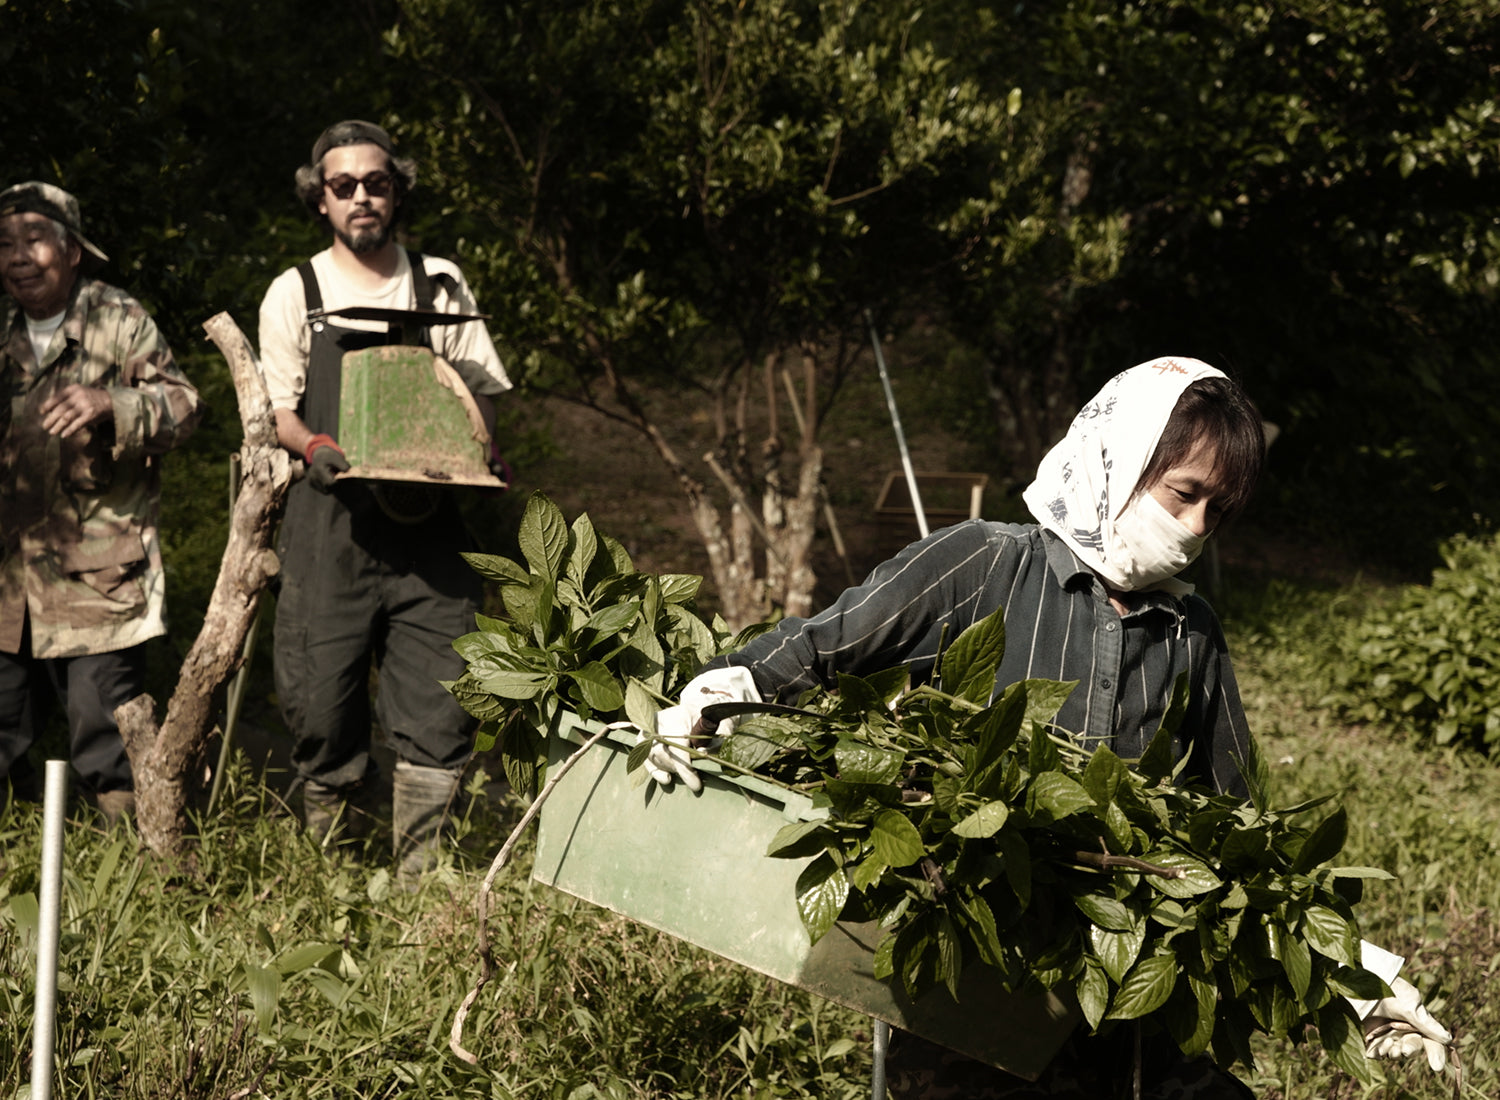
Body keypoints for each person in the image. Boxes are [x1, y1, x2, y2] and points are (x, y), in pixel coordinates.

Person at [643, 358, 1453, 1097]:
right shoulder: (985, 564)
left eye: (1220, 510)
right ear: (1120, 458)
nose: (1198, 527)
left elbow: (1239, 834)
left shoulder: (1190, 633)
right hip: (966, 974)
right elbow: (821, 649)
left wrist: (1355, 975)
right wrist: (711, 702)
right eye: (1184, 492)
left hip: (1114, 986)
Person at [257, 120, 512, 879]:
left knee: (440, 701)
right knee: (320, 702)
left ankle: (418, 885)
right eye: (344, 186)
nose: (361, 197)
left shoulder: (440, 282)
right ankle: (328, 879)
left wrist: (472, 455)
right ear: (321, 199)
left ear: (396, 191)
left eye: (376, 183)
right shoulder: (296, 291)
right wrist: (316, 450)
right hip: (330, 526)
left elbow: (483, 393)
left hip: (433, 530)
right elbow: (279, 412)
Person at [0, 181, 204, 822]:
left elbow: (185, 406)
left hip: (100, 581)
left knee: (106, 739)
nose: (18, 256)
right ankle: (21, 867)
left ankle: (138, 872)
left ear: (72, 251)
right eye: (5, 243)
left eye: (34, 239)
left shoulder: (118, 318)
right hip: (7, 584)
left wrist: (109, 405)